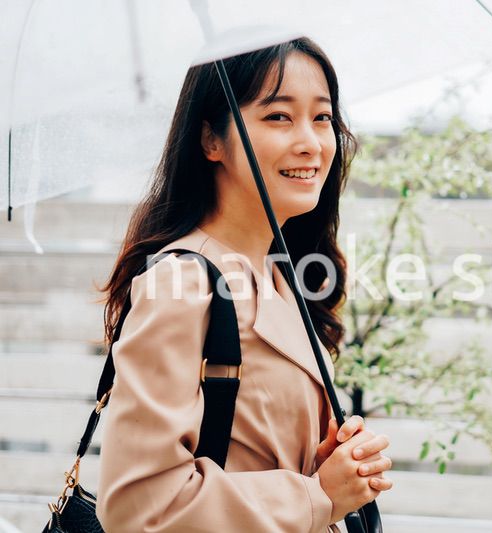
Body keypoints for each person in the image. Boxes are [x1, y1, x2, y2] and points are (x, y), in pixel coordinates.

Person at [95, 37, 392, 532]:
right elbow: (138, 505)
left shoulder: (281, 273)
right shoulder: (184, 280)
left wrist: (327, 465)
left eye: (322, 118)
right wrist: (316, 496)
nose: (311, 142)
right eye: (278, 117)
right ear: (211, 141)